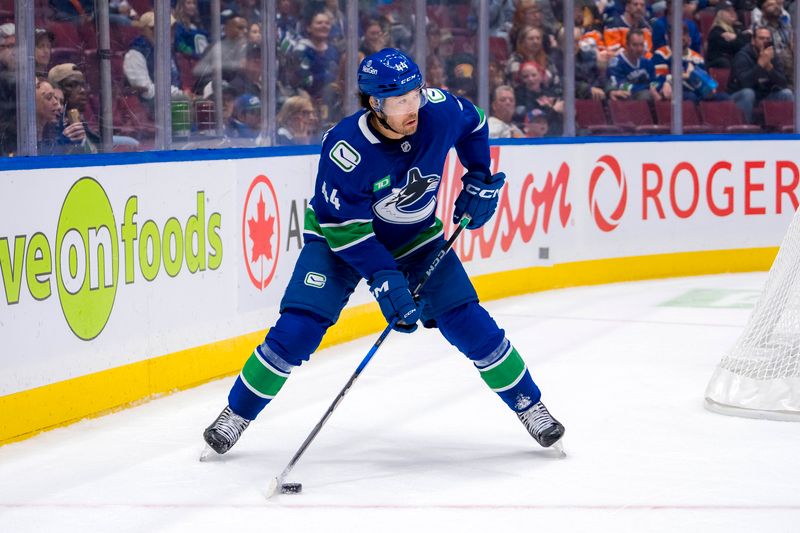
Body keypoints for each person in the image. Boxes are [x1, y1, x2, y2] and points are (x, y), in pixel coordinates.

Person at [202, 48, 565, 457]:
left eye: (416, 94)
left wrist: (477, 176)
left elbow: (476, 124)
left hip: (415, 238)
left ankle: (530, 405)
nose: (413, 107)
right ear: (375, 103)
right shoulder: (346, 148)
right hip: (339, 242)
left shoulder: (439, 110)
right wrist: (384, 278)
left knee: (468, 321)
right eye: (400, 101)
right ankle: (236, 414)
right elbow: (346, 228)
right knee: (298, 330)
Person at [728, 26, 793, 122]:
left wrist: (770, 68)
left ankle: (789, 133)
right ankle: (744, 131)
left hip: (764, 97)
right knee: (748, 93)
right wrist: (760, 66)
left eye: (768, 39)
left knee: (787, 93)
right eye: (761, 38)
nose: (765, 41)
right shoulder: (742, 56)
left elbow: (783, 84)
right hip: (739, 96)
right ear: (753, 41)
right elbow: (743, 83)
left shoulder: (773, 57)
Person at [606, 29, 668, 101]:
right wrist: (648, 87)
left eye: (641, 45)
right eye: (635, 45)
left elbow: (654, 80)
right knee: (645, 95)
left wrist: (662, 85)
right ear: (627, 45)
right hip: (625, 101)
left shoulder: (647, 62)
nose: (639, 49)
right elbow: (620, 85)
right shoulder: (616, 63)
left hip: (646, 96)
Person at [705, 0, 750, 69]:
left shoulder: (738, 27)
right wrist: (741, 36)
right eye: (728, 11)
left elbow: (749, 42)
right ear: (720, 14)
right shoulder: (716, 31)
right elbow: (735, 46)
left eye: (733, 10)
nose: (732, 13)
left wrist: (736, 37)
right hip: (720, 66)